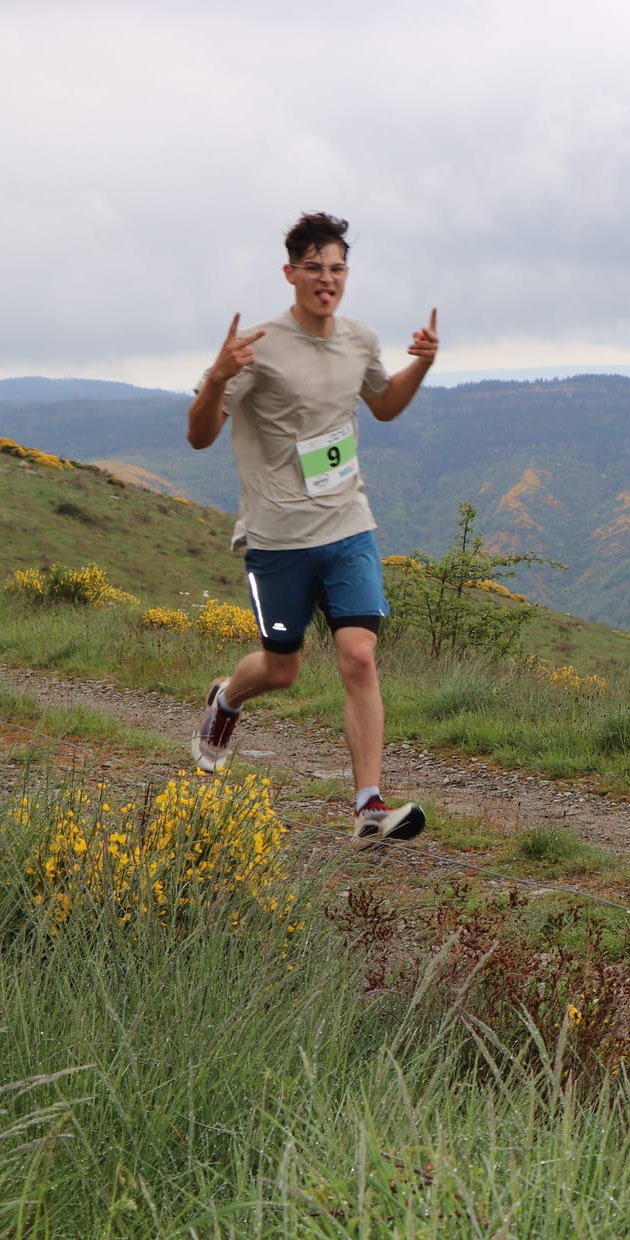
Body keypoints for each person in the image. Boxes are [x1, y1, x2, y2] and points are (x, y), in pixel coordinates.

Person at [185, 211, 437, 841]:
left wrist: (423, 365)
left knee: (358, 656)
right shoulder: (259, 345)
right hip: (278, 536)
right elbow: (199, 435)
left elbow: (383, 407)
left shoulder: (358, 339)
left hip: (349, 523)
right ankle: (226, 700)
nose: (328, 279)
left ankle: (369, 806)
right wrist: (217, 377)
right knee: (283, 669)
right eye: (315, 268)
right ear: (291, 272)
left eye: (338, 268)